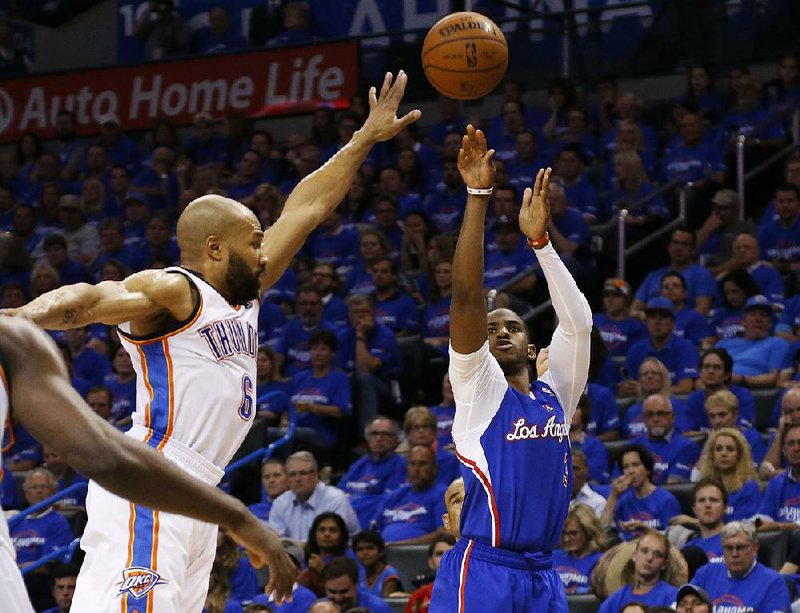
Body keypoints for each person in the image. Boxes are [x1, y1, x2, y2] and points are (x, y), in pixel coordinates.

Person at [3, 71, 418, 610]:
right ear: (217, 249)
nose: (265, 249)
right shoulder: (176, 290)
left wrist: (362, 139)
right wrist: (19, 320)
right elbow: (89, 299)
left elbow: (307, 209)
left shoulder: (246, 292)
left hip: (198, 489)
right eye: (254, 241)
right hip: (154, 477)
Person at [0, 315, 296, 612]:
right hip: (160, 477)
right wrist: (238, 517)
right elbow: (107, 458)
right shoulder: (15, 340)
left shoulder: (12, 341)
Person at [428, 128, 592, 611]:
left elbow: (579, 324)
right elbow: (466, 297)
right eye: (491, 328)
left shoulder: (554, 396)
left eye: (513, 326)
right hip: (485, 569)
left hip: (543, 571)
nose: (499, 332)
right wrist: (479, 195)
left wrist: (540, 242)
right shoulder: (478, 390)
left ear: (530, 343)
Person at [692, 521, 792, 612]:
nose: (735, 554)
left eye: (741, 547)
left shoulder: (773, 582)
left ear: (755, 548)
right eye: (729, 548)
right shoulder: (706, 574)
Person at [268, 451, 360, 541]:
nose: (297, 479)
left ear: (315, 475)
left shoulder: (335, 498)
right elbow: (276, 542)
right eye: (292, 474)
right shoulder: (280, 503)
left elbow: (334, 540)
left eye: (303, 473)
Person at [337, 416, 407, 529]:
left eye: (385, 434)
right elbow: (338, 495)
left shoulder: (401, 465)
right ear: (367, 438)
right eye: (374, 434)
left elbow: (387, 500)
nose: (379, 438)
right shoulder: (360, 464)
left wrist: (352, 501)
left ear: (396, 439)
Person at [601, 444, 682, 541]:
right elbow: (603, 532)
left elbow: (675, 540)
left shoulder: (666, 500)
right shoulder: (623, 501)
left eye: (636, 465)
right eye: (626, 467)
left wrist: (645, 528)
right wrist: (614, 495)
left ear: (648, 469)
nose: (631, 471)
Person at [376, 445, 447, 545]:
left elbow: (444, 534)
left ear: (434, 469)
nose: (416, 469)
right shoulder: (394, 495)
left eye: (423, 464)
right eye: (412, 464)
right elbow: (377, 529)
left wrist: (398, 545)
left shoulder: (442, 494)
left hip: (418, 555)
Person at [597, 530, 679, 612]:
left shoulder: (672, 596)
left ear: (664, 564)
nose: (649, 558)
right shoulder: (616, 599)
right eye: (644, 551)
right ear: (634, 556)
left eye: (658, 555)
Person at [553, 503, 609, 594]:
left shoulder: (600, 561)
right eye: (564, 533)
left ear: (588, 532)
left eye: (573, 533)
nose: (567, 539)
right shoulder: (553, 557)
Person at [671, 478, 727, 562]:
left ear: (725, 508)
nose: (707, 505)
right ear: (694, 510)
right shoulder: (688, 550)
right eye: (702, 501)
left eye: (714, 500)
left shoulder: (736, 541)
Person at [297, 512, 351, 597]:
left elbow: (346, 591)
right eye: (322, 530)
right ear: (314, 535)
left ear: (341, 536)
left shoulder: (349, 558)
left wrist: (324, 570)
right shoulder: (305, 556)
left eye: (333, 530)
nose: (327, 534)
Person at [403, 534, 456, 613]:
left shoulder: (474, 593)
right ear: (430, 562)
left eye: (451, 554)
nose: (445, 558)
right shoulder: (418, 597)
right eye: (439, 554)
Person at [322, 556, 392, 613]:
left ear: (356, 584)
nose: (338, 598)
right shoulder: (320, 609)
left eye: (343, 591)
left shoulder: (377, 608)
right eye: (332, 592)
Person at [353, 529, 402, 597]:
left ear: (381, 551)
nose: (365, 553)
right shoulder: (358, 575)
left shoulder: (389, 574)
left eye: (370, 548)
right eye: (360, 549)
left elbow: (385, 603)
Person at [248, 459, 289, 523]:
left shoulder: (300, 506)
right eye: (266, 477)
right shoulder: (252, 512)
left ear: (288, 479)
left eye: (276, 475)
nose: (271, 480)